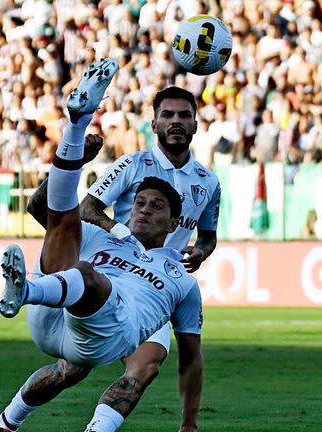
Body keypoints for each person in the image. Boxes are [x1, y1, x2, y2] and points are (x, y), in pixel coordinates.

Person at [0, 58, 203, 432]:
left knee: (143, 365)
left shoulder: (182, 276)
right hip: (58, 315)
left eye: (156, 206)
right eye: (139, 203)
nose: (143, 210)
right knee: (67, 233)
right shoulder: (114, 205)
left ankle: (26, 291)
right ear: (154, 123)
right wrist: (77, 158)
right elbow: (49, 212)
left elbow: (191, 355)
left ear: (175, 223)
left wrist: (189, 423)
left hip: (121, 320)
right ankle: (76, 121)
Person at [79, 85, 221, 409]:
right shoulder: (130, 164)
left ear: (196, 124)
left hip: (161, 284)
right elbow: (87, 208)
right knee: (72, 366)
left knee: (149, 365)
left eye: (184, 115)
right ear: (154, 123)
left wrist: (202, 250)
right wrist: (119, 231)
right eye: (167, 115)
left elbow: (208, 235)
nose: (176, 121)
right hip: (118, 276)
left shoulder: (208, 181)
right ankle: (11, 418)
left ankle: (187, 425)